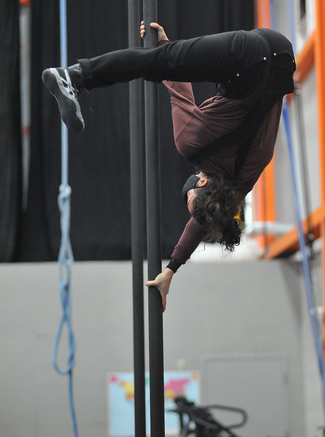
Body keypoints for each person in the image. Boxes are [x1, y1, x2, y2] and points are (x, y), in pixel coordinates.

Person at [42, 22, 296, 310]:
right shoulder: (192, 145)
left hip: (282, 58)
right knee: (156, 65)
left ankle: (80, 77)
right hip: (246, 60)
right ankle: (75, 76)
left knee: (170, 61)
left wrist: (172, 269)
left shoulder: (244, 178)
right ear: (200, 183)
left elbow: (202, 222)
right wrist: (166, 49)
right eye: (189, 197)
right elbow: (178, 87)